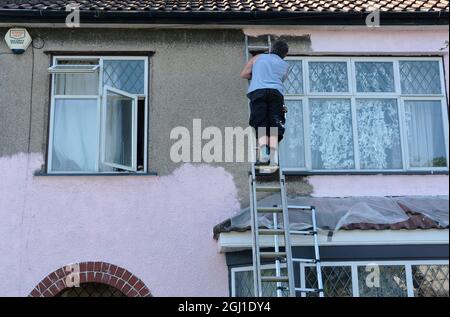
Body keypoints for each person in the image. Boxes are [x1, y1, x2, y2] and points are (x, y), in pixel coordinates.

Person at [240, 40, 289, 166]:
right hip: (276, 94)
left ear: (271, 49)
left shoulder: (258, 57)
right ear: (285, 54)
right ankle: (272, 156)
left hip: (258, 92)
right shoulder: (285, 65)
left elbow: (244, 74)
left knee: (260, 122)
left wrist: (256, 75)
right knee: (274, 124)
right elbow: (280, 80)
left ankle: (264, 153)